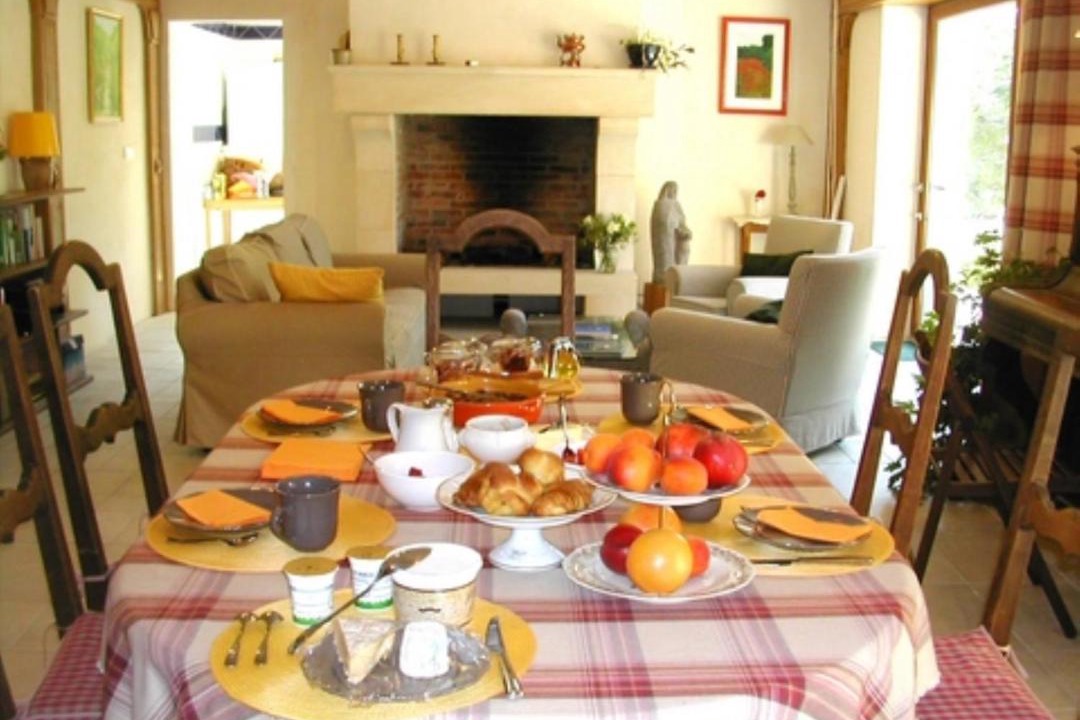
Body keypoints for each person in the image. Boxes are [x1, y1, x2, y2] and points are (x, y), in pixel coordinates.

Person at [650, 181, 693, 284]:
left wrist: (685, 231)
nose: (674, 192)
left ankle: (679, 277)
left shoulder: (676, 205)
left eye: (675, 190)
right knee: (665, 258)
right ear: (666, 190)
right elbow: (661, 222)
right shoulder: (660, 205)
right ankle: (663, 277)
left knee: (683, 250)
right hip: (665, 238)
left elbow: (682, 221)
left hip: (677, 237)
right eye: (672, 190)